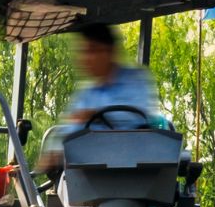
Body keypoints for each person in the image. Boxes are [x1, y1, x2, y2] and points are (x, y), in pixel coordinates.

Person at [40, 20, 161, 170]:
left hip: (131, 166)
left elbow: (137, 117)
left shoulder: (136, 80)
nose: (86, 58)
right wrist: (55, 153)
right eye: (83, 52)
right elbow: (70, 131)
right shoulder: (86, 94)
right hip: (91, 170)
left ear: (110, 52)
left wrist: (95, 115)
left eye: (92, 50)